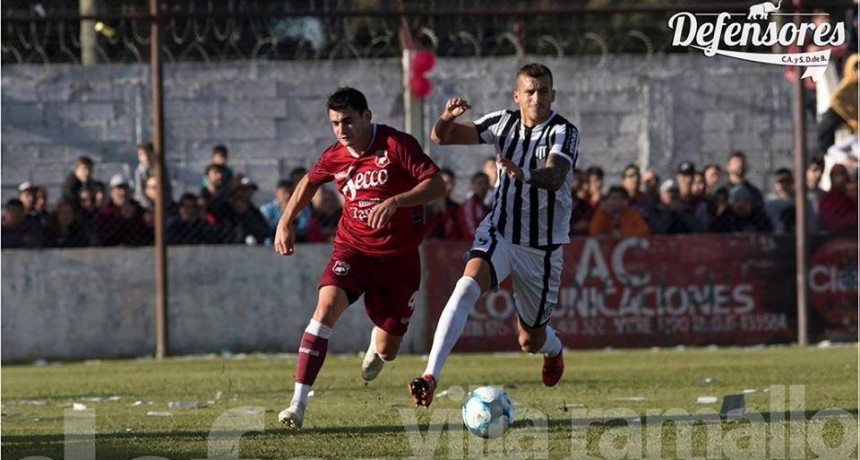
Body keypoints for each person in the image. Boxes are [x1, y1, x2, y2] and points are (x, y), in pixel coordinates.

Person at [273, 87, 444, 428]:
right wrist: (285, 221)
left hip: (399, 259)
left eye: (348, 121)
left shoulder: (397, 145)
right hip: (353, 249)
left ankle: (376, 342)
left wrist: (396, 200)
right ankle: (297, 403)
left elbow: (437, 185)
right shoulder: (335, 155)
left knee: (388, 349)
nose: (342, 130)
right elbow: (309, 182)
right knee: (324, 311)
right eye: (335, 123)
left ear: (367, 116)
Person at [409, 63, 579, 408]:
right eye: (529, 92)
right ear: (517, 96)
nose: (537, 98)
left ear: (553, 95)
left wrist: (524, 174)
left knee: (529, 340)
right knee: (466, 285)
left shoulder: (564, 131)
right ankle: (430, 375)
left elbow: (556, 175)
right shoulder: (503, 122)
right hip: (500, 231)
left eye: (543, 91)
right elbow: (443, 137)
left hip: (540, 248)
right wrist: (445, 118)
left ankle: (554, 348)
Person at [95, 174, 153, 246]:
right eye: (119, 189)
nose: (122, 192)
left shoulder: (140, 211)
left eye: (125, 189)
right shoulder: (104, 213)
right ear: (111, 192)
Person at [764, 168, 817, 234]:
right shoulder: (769, 205)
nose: (785, 184)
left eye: (788, 180)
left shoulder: (804, 203)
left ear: (793, 182)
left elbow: (811, 226)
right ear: (775, 184)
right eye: (781, 181)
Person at [708, 184, 773, 233]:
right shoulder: (724, 220)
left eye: (745, 201)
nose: (741, 204)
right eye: (737, 200)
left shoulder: (760, 220)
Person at [819, 164, 858, 233]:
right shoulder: (826, 200)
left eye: (843, 174)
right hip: (833, 239)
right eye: (837, 174)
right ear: (832, 178)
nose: (841, 177)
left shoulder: (852, 199)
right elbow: (830, 222)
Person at [425, 167, 462, 240]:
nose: (449, 187)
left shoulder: (455, 207)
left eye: (452, 183)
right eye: (446, 183)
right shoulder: (426, 207)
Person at [455, 172, 491, 240]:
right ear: (472, 186)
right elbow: (469, 229)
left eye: (486, 183)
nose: (483, 187)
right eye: (479, 184)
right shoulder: (468, 206)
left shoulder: (484, 206)